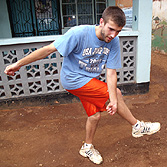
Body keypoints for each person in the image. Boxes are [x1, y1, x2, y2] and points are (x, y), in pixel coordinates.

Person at [4, 6, 160, 165]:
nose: (113, 35)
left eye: (118, 31)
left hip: (89, 81)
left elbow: (111, 72)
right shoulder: (78, 33)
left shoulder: (113, 41)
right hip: (72, 79)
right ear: (101, 22)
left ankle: (87, 147)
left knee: (95, 116)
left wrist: (112, 99)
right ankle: (137, 126)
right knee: (117, 94)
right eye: (111, 29)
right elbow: (48, 49)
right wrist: (19, 64)